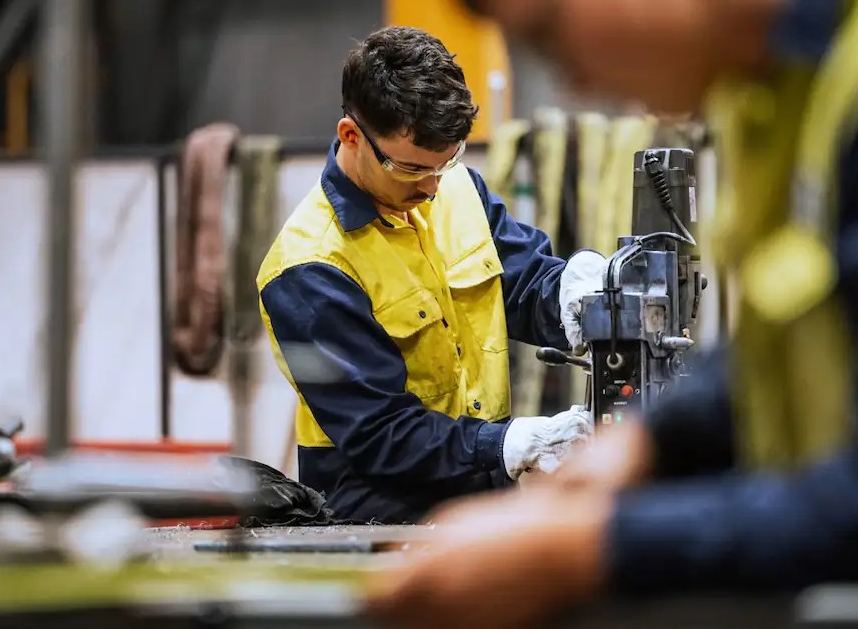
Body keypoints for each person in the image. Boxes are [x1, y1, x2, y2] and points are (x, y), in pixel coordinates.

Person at [365, 0, 858, 627]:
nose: (571, 81)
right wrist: (648, 445)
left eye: (548, 29)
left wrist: (591, 547)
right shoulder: (786, 83)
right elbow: (810, 330)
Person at [257, 26, 603, 525]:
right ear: (352, 137)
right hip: (377, 520)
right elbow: (381, 433)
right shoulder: (308, 267)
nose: (432, 185)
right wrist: (507, 443)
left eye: (448, 161)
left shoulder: (455, 187)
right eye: (410, 168)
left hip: (481, 493)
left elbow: (520, 284)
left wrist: (577, 294)